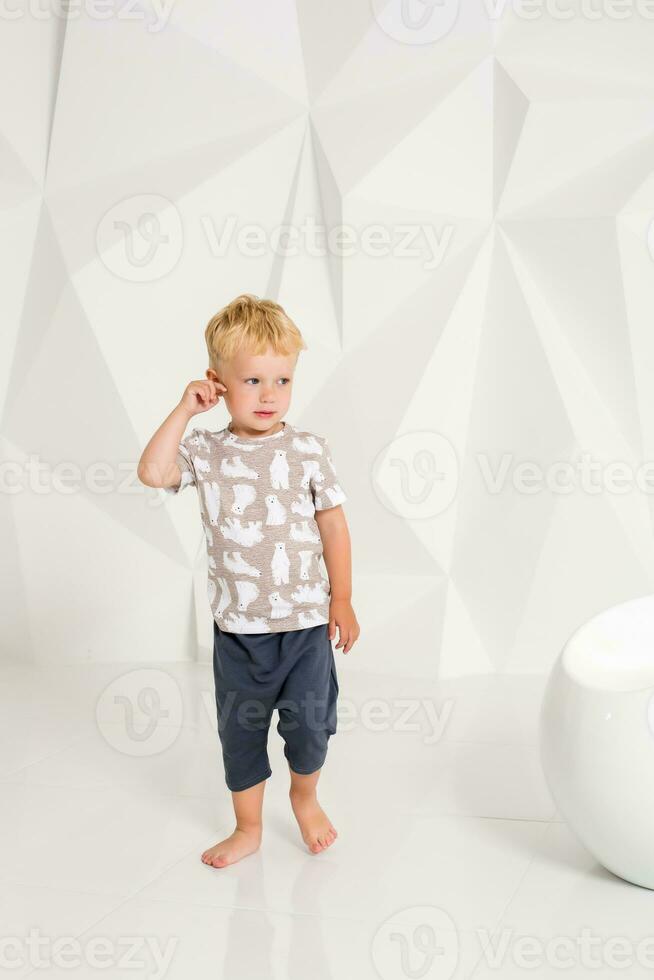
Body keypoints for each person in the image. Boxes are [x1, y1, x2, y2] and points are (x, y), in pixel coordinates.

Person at [137, 294, 360, 866]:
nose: (268, 394)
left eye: (281, 380)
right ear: (218, 383)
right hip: (239, 634)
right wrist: (185, 410)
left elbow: (333, 525)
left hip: (306, 628)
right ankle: (248, 828)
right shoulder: (207, 452)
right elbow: (153, 471)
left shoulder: (308, 450)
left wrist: (344, 598)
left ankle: (305, 799)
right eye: (253, 379)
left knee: (310, 729)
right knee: (241, 738)